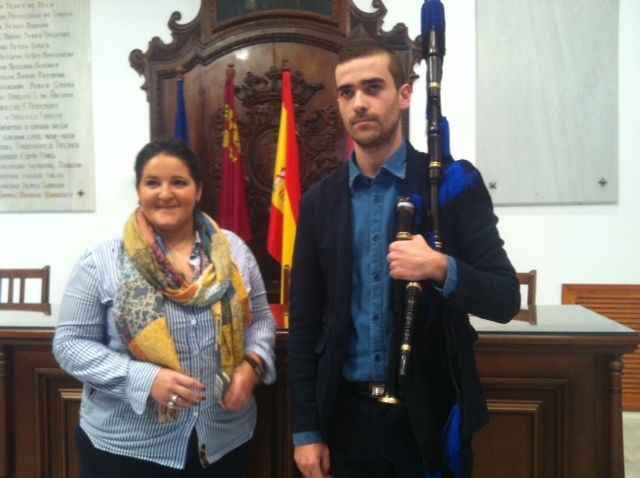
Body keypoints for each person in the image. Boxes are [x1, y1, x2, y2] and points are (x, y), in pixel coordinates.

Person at [287, 40, 521, 478]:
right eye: (347, 92)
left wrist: (439, 267)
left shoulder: (452, 185)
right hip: (346, 421)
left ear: (405, 94)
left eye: (373, 87)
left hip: (433, 417)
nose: (359, 103)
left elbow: (506, 298)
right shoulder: (319, 202)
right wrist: (305, 431)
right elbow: (304, 325)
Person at [53, 138, 276, 478]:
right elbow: (70, 344)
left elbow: (260, 320)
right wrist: (145, 379)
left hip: (222, 440)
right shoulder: (102, 260)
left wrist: (252, 365)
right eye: (153, 183)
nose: (165, 193)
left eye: (179, 182)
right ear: (139, 190)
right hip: (126, 447)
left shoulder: (233, 251)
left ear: (198, 190)